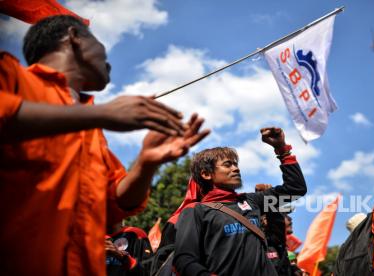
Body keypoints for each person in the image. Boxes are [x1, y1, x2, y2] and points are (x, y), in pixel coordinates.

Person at [0, 15, 210, 276]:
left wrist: (147, 163)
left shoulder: (93, 132)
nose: (107, 59)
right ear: (74, 38)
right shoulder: (10, 77)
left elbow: (115, 204)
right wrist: (102, 114)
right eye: (99, 44)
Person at [173, 127, 307, 276]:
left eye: (236, 164)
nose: (236, 169)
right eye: (227, 164)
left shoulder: (252, 201)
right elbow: (184, 259)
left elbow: (295, 188)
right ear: (206, 174)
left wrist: (281, 149)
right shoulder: (195, 211)